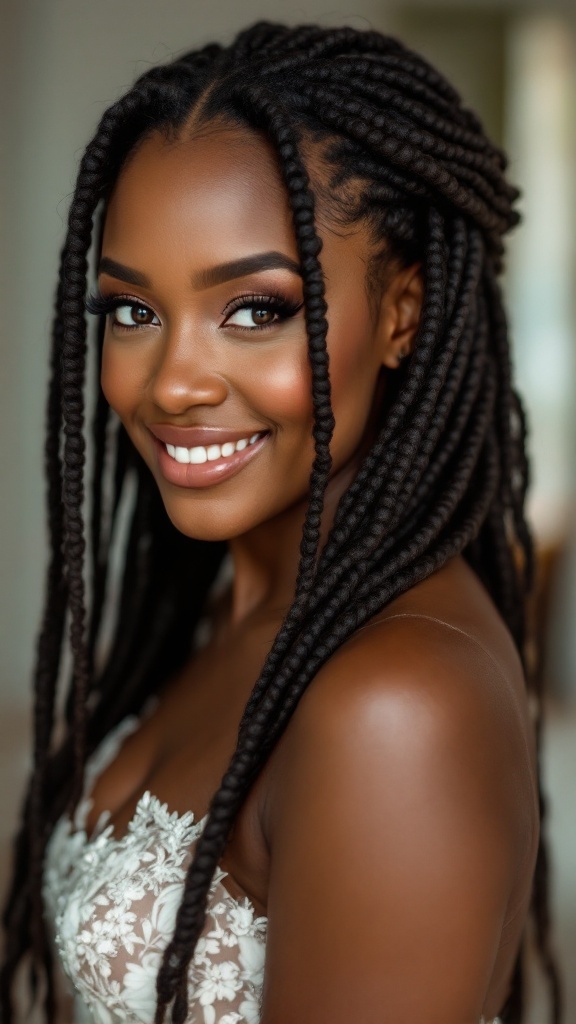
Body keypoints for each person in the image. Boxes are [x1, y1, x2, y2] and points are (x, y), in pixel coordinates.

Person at [0, 20, 561, 1024]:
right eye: (132, 310)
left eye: (255, 309)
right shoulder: (239, 600)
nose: (171, 383)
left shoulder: (395, 705)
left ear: (402, 312)